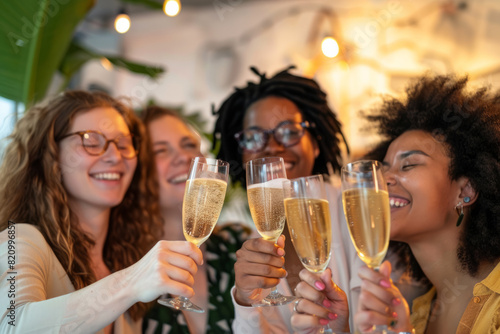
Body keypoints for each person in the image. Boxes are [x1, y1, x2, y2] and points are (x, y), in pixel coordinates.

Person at [0, 91, 203, 333]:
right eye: (91, 141)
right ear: (51, 155)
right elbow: (11, 325)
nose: (114, 156)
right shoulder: (19, 238)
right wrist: (130, 282)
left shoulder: (126, 257)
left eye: (123, 143)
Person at [212, 66, 360, 333]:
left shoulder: (354, 206)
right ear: (241, 156)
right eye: (254, 137)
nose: (273, 147)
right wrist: (246, 300)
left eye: (289, 131)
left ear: (315, 143)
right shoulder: (256, 240)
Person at [349, 75, 500, 333]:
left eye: (408, 164)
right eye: (381, 170)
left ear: (465, 191)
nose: (383, 180)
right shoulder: (415, 313)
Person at [140, 106, 251, 333]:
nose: (183, 157)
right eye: (159, 151)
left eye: (189, 145)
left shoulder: (236, 246)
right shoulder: (125, 267)